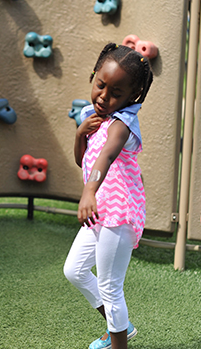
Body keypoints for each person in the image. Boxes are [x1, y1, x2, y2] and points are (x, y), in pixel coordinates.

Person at [63, 43, 153, 349]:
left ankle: (119, 344)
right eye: (100, 85)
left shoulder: (122, 124)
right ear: (93, 76)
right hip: (101, 212)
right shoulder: (93, 118)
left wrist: (89, 192)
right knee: (74, 270)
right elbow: (84, 161)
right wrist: (79, 134)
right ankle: (121, 328)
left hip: (119, 213)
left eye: (116, 93)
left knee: (110, 285)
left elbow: (106, 158)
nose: (104, 96)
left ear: (132, 97)